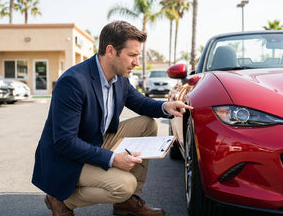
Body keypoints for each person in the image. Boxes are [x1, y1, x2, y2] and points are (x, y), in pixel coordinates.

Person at [31, 20, 193, 216]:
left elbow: (140, 103)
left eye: (137, 56)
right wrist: (112, 159)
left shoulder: (120, 78)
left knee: (146, 124)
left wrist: (165, 106)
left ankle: (126, 202)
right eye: (132, 55)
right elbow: (65, 142)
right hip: (65, 158)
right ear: (110, 51)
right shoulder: (73, 82)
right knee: (125, 185)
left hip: (94, 141)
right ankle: (61, 198)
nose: (136, 62)